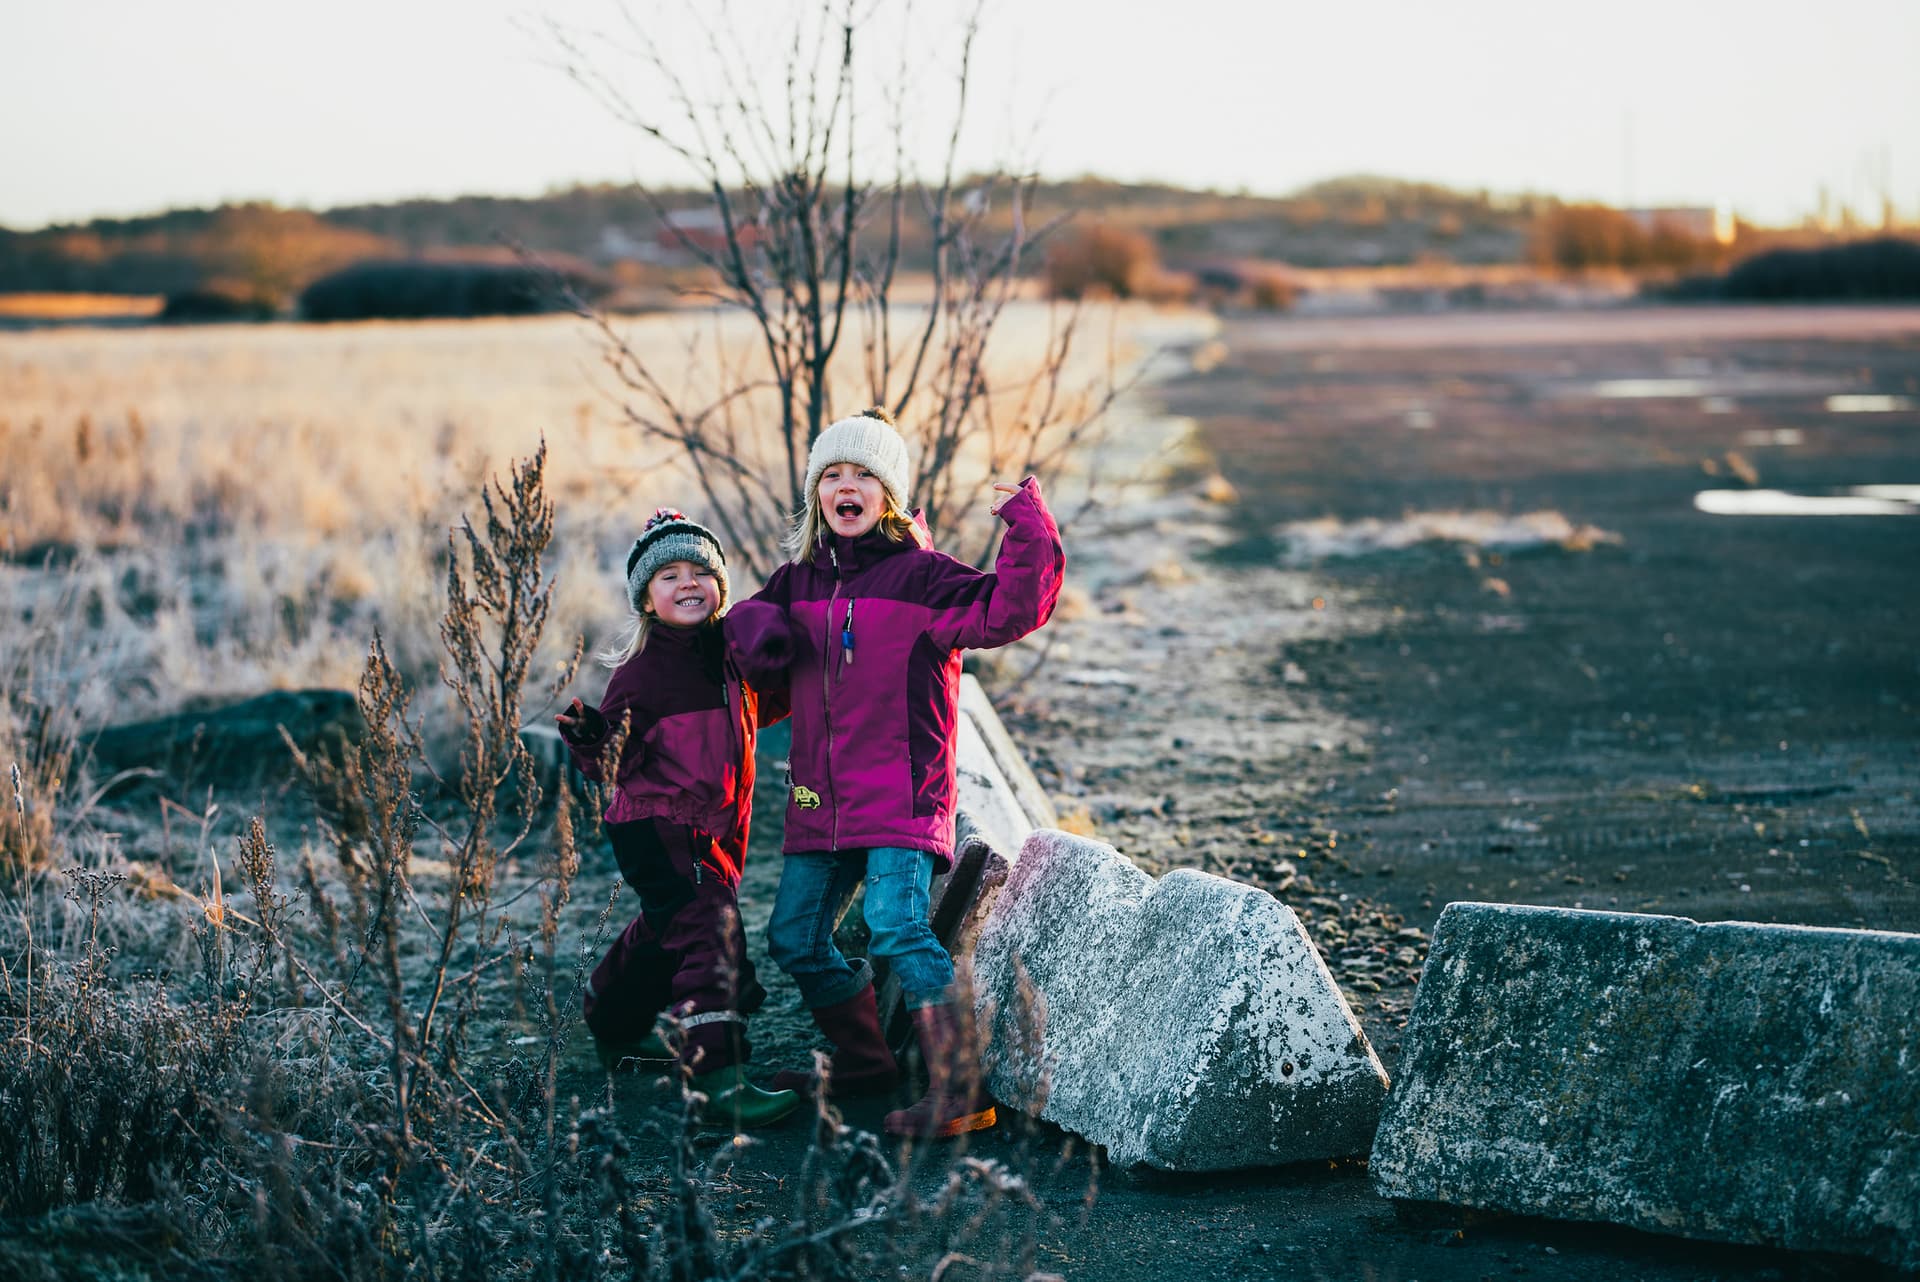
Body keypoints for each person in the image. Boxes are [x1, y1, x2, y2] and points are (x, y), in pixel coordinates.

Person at [725, 406, 1064, 1138]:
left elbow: (1011, 609)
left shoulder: (923, 580)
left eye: (864, 476)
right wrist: (752, 627)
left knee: (899, 928)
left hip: (903, 795)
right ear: (817, 492)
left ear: (890, 496)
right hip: (821, 799)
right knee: (793, 936)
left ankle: (961, 1089)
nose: (846, 487)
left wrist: (1028, 523)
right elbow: (747, 641)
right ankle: (865, 1062)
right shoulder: (798, 582)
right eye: (833, 475)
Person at [557, 507, 797, 1130]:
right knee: (710, 929)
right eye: (669, 576)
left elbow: (764, 705)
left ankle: (610, 1016)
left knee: (671, 926)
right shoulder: (642, 674)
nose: (687, 583)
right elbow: (614, 755)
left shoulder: (728, 656)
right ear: (645, 599)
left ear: (719, 585)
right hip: (656, 822)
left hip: (711, 823)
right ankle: (719, 1074)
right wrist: (591, 737)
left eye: (700, 572)